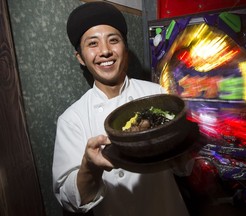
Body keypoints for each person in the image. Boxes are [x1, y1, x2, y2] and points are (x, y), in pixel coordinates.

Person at [52, 2, 191, 215]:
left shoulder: (158, 94)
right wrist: (91, 165)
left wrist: (185, 149)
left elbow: (183, 169)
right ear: (80, 57)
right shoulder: (72, 119)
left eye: (113, 40)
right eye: (92, 44)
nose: (105, 51)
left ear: (124, 47)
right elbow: (71, 201)